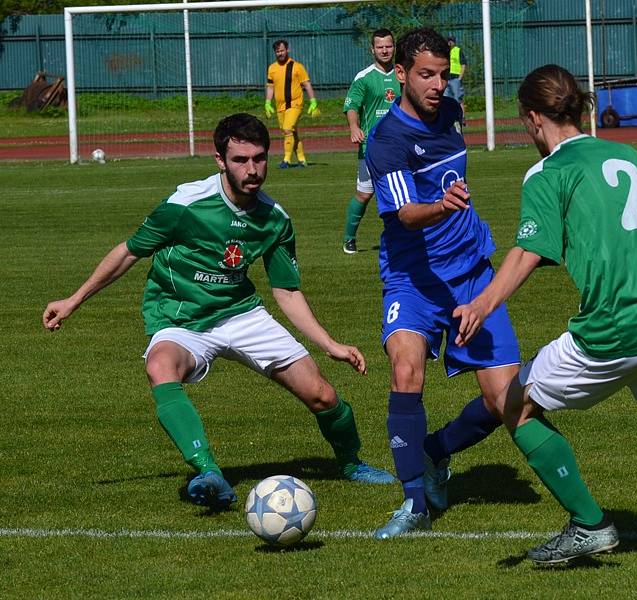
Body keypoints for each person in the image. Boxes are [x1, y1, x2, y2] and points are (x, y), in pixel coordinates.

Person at [453, 64, 637, 568]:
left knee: (511, 402)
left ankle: (589, 525)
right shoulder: (628, 154)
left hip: (616, 323)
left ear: (533, 118)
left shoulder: (549, 172)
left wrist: (482, 303)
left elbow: (526, 250)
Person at [42, 113, 395, 509]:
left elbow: (287, 292)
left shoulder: (274, 221)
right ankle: (208, 471)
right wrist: (73, 300)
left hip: (241, 313)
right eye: (241, 160)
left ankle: (351, 464)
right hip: (181, 319)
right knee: (160, 365)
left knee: (323, 396)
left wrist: (329, 343)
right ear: (220, 160)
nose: (253, 170)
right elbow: (129, 252)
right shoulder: (186, 205)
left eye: (259, 158)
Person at [365, 28, 521, 539]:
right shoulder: (386, 140)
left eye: (443, 74)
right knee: (406, 369)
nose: (438, 85)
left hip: (472, 273)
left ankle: (435, 451)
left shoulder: (452, 113)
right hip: (412, 281)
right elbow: (406, 214)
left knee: (507, 401)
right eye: (426, 75)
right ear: (402, 75)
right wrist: (442, 206)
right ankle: (414, 507)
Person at [340, 28, 401, 255]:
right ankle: (349, 238)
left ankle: (403, 239)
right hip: (372, 147)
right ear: (372, 49)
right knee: (365, 194)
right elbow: (352, 106)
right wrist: (354, 127)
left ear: (394, 47)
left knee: (403, 193)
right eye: (380, 46)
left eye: (388, 46)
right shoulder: (363, 78)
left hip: (400, 146)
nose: (385, 50)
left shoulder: (402, 74)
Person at [265, 40, 320, 169]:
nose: (280, 53)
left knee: (287, 129)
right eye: (277, 51)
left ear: (288, 50)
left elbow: (306, 84)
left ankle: (286, 160)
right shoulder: (272, 68)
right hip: (280, 106)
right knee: (291, 133)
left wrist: (313, 101)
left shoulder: (297, 66)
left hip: (295, 104)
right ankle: (302, 160)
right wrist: (267, 102)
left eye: (282, 50)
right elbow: (270, 87)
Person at [444, 35, 467, 122]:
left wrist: (460, 77)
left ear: (454, 42)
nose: (450, 43)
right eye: (448, 41)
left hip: (455, 78)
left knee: (458, 98)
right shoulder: (445, 52)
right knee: (446, 99)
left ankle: (462, 117)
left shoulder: (458, 51)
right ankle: (449, 117)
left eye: (451, 41)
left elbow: (463, 64)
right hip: (447, 78)